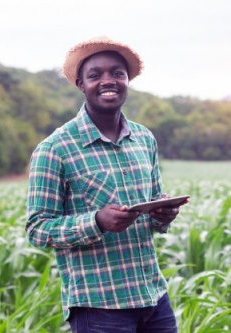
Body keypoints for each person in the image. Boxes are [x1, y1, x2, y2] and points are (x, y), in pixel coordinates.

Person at [26, 36, 187, 333]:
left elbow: (150, 215)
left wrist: (163, 215)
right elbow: (37, 229)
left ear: (127, 80)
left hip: (153, 296)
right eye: (95, 75)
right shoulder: (55, 148)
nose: (107, 81)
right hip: (99, 307)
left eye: (117, 73)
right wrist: (97, 221)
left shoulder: (144, 139)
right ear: (80, 84)